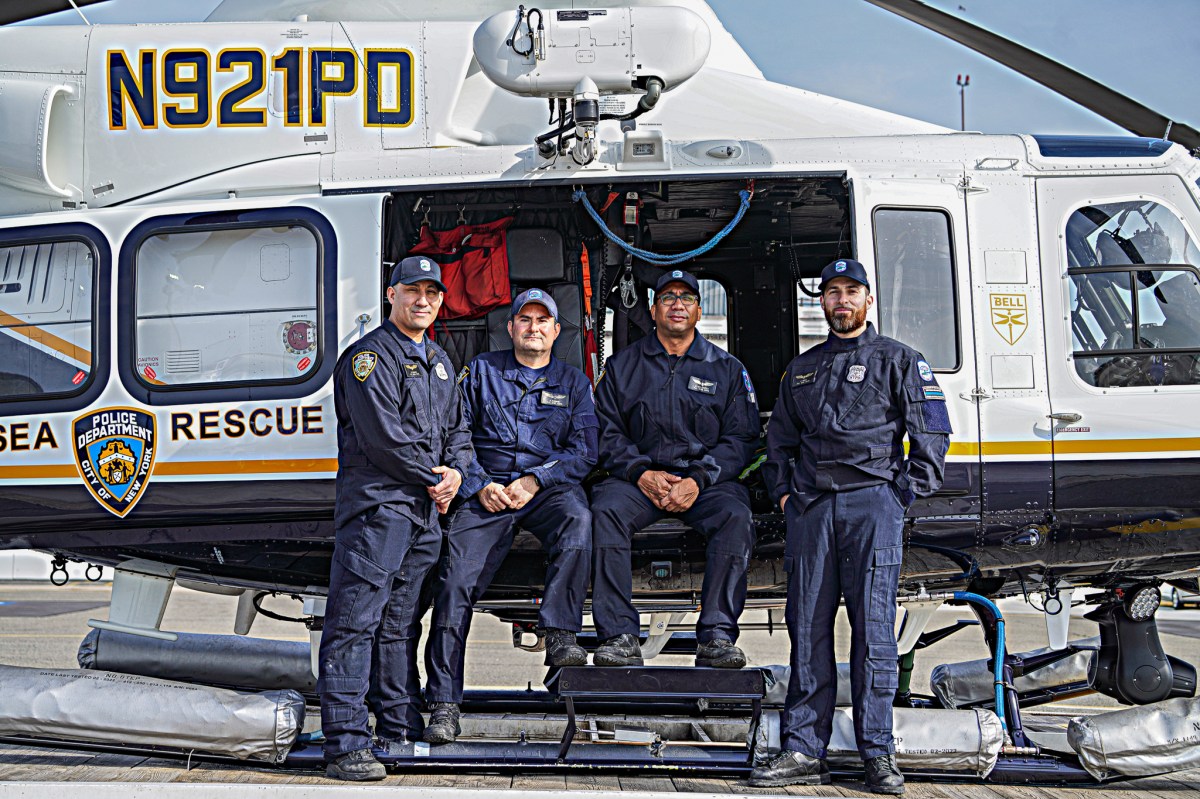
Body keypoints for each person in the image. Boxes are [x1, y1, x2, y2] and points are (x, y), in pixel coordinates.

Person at [751, 258, 950, 794]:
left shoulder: (900, 360)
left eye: (851, 291)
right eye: (833, 292)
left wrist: (898, 496)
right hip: (812, 510)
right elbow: (778, 444)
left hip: (873, 506)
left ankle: (877, 754)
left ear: (868, 299)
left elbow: (932, 436)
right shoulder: (802, 369)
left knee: (874, 634)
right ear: (822, 301)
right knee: (807, 630)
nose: (842, 300)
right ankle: (802, 750)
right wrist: (786, 495)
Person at [319, 256, 474, 781]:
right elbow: (384, 439)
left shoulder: (439, 360)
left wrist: (457, 472)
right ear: (391, 294)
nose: (423, 301)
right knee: (354, 622)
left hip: (424, 515)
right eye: (412, 290)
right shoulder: (368, 359)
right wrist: (436, 478)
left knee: (399, 624)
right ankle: (345, 744)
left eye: (433, 292)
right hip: (379, 509)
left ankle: (397, 728)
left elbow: (458, 429)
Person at [422, 288, 598, 744]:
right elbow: (455, 436)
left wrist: (536, 480)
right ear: (511, 327)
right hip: (488, 491)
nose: (533, 328)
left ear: (556, 331)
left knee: (579, 521)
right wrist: (481, 485)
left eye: (542, 321)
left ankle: (560, 634)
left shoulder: (574, 382)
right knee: (454, 584)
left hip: (547, 490)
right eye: (525, 320)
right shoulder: (480, 371)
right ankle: (444, 704)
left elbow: (584, 452)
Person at [590, 269, 760, 668]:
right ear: (653, 310)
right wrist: (639, 473)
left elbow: (741, 439)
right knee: (604, 511)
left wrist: (699, 479)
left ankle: (717, 636)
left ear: (699, 311)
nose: (677, 304)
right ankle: (618, 636)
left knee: (736, 517)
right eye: (667, 297)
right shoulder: (622, 367)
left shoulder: (726, 369)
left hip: (705, 483)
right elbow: (605, 431)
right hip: (639, 481)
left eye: (686, 298)